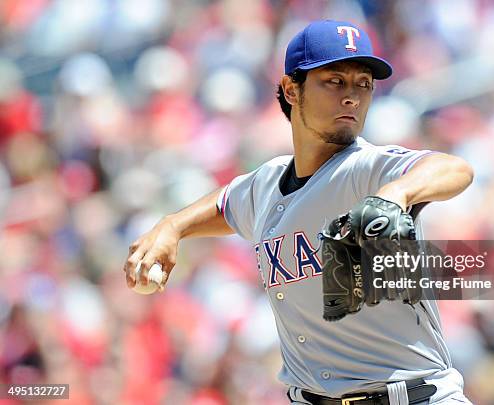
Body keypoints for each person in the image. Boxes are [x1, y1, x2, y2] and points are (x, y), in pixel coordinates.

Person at [124, 20, 474, 405]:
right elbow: (226, 204)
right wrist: (172, 226)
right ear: (292, 89)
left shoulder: (367, 168)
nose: (352, 96)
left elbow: (454, 169)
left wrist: (396, 194)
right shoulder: (266, 182)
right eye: (335, 81)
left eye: (363, 83)